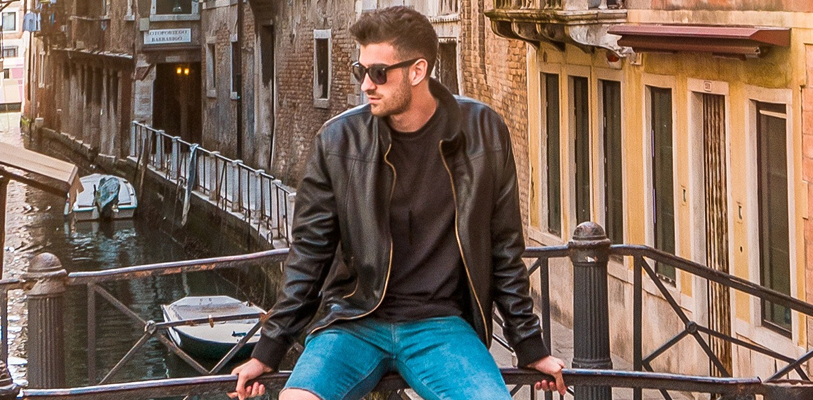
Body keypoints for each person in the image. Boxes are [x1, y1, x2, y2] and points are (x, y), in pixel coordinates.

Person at [228, 6, 566, 400]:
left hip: (441, 325)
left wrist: (529, 345)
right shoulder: (337, 142)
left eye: (378, 73)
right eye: (361, 71)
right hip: (354, 320)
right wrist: (267, 350)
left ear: (418, 71)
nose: (366, 85)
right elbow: (309, 255)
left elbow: (504, 248)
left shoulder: (483, 131)